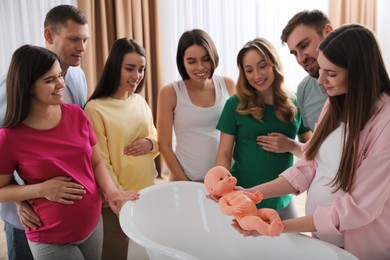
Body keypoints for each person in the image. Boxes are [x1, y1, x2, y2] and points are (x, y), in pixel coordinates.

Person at [233, 24, 390, 260]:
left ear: (358, 72)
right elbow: (309, 166)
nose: (320, 80)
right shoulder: (334, 103)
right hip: (325, 243)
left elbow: (358, 208)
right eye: (322, 70)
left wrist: (280, 227)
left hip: (361, 249)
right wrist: (251, 194)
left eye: (332, 73)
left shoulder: (385, 122)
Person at [0, 44, 140, 259]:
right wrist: (41, 190)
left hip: (93, 223)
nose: (60, 84)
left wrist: (111, 192)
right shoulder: (10, 136)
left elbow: (96, 163)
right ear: (27, 86)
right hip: (50, 236)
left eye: (60, 76)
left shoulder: (76, 114)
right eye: (49, 80)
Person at [0, 5, 90, 260]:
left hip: (71, 215)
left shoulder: (79, 76)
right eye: (74, 39)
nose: (82, 48)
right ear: (49, 36)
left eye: (85, 40)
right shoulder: (12, 88)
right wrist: (21, 198)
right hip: (30, 217)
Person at [215, 38, 311, 220]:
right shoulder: (234, 105)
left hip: (282, 198)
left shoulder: (296, 103)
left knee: (287, 246)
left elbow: (313, 152)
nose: (257, 75)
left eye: (262, 66)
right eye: (249, 70)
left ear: (274, 64)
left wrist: (290, 145)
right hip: (242, 196)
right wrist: (221, 186)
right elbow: (224, 153)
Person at [84, 38, 159, 260]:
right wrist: (123, 207)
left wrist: (149, 143)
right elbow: (102, 163)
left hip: (147, 194)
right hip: (116, 203)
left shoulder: (139, 102)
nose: (137, 75)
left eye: (141, 69)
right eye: (130, 68)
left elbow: (155, 138)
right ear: (115, 66)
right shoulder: (95, 109)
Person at [157, 29, 235, 182]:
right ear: (182, 62)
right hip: (183, 180)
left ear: (213, 57)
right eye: (191, 61)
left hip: (222, 181)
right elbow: (164, 145)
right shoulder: (170, 93)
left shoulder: (228, 85)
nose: (200, 67)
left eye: (205, 59)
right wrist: (185, 183)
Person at [281, 9, 332, 130]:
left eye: (304, 46)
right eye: (294, 53)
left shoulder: (363, 79)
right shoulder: (303, 90)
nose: (300, 59)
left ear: (328, 32)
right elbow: (315, 141)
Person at [204, 166, 283, 237]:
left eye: (228, 175)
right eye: (221, 179)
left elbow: (254, 199)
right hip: (244, 218)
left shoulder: (240, 192)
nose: (228, 178)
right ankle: (269, 230)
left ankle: (278, 225)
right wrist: (233, 209)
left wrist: (257, 197)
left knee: (271, 212)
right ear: (212, 189)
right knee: (256, 221)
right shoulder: (223, 199)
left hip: (257, 212)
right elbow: (224, 209)